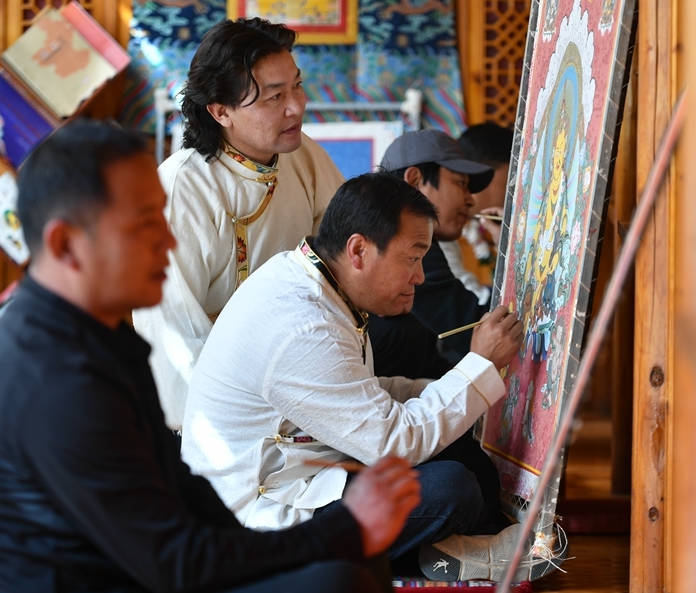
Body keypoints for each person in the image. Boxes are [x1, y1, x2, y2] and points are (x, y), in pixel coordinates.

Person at [0, 121, 420, 593]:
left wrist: (339, 535)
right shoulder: (53, 379)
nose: (169, 242)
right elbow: (174, 564)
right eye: (144, 224)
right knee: (335, 575)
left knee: (346, 559)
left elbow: (181, 492)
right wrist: (344, 528)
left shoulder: (99, 337)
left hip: (139, 567)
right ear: (66, 244)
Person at [182, 173, 532, 582]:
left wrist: (463, 384)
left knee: (465, 455)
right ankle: (433, 554)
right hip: (260, 517)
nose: (419, 276)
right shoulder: (302, 326)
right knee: (450, 489)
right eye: (412, 258)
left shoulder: (312, 281)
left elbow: (361, 393)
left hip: (312, 469)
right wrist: (479, 368)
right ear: (359, 250)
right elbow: (394, 444)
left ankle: (442, 549)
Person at [132, 17, 344, 431]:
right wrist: (241, 422)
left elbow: (344, 256)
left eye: (297, 86)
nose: (296, 106)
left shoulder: (304, 157)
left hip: (303, 376)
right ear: (221, 111)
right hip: (224, 410)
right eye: (274, 97)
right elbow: (174, 331)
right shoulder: (183, 188)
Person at [379, 129, 496, 365]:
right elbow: (478, 329)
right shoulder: (404, 245)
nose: (470, 199)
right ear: (415, 181)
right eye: (461, 183)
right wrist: (514, 254)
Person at [444, 121, 516, 303]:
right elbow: (474, 310)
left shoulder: (445, 234)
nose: (518, 195)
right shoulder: (429, 239)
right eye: (511, 183)